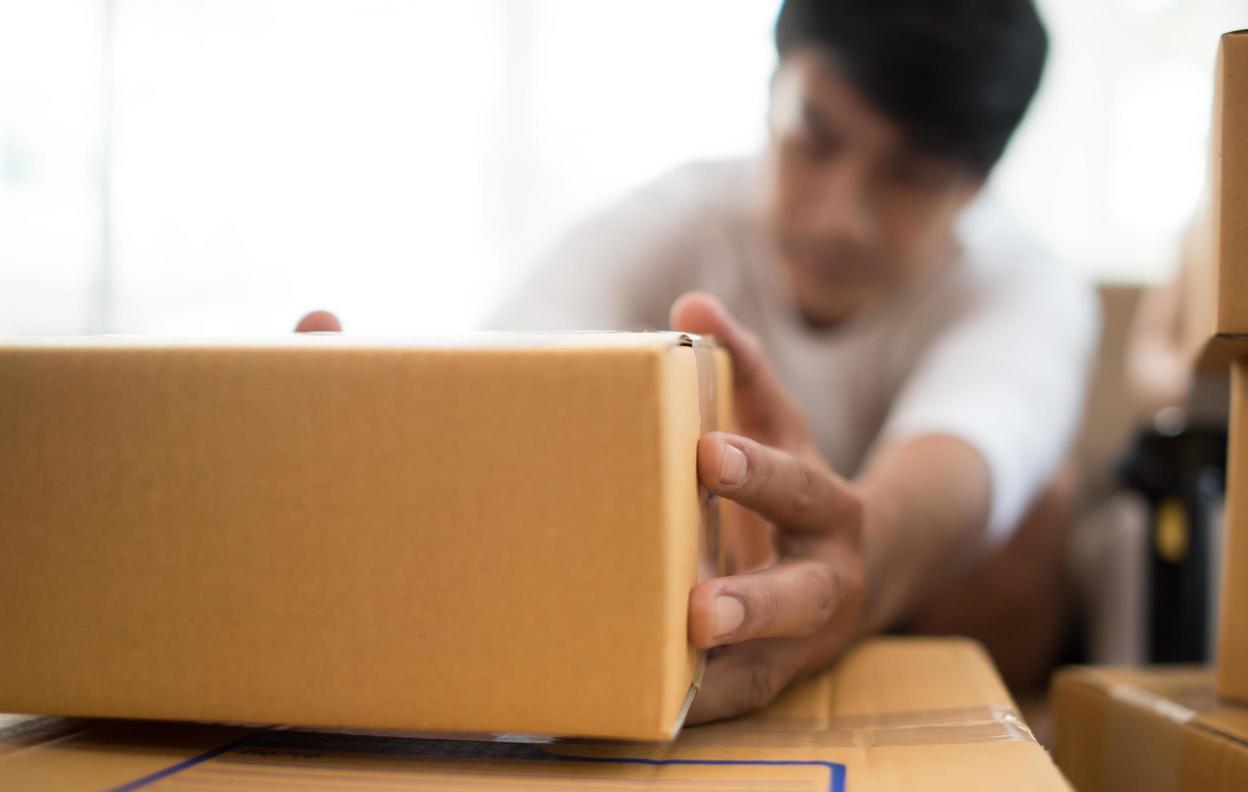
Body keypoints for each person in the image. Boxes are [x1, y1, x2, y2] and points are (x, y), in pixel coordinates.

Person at [298, 0, 1097, 723]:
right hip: (690, 597)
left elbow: (968, 455)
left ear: (976, 185)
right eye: (813, 140)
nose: (836, 218)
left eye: (909, 178)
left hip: (928, 619)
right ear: (772, 92)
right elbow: (506, 363)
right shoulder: (679, 218)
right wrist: (384, 439)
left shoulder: (1026, 287)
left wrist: (855, 557)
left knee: (1042, 500)